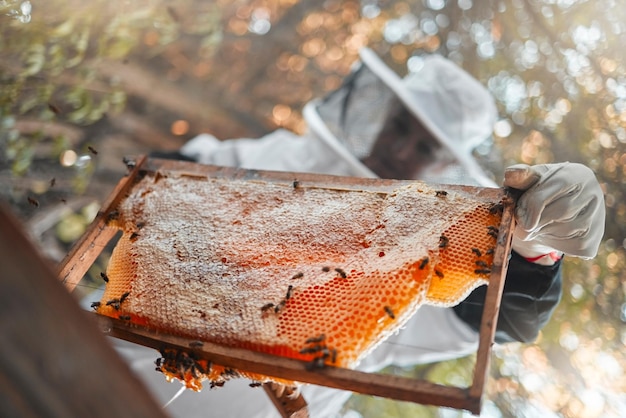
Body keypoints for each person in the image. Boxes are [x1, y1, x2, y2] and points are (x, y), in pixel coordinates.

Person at [122, 48, 605, 417]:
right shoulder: (287, 158)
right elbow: (175, 178)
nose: (402, 148)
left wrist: (534, 245)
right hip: (106, 358)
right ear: (379, 115)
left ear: (444, 164)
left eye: (425, 146)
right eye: (401, 127)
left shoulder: (427, 249)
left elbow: (503, 314)